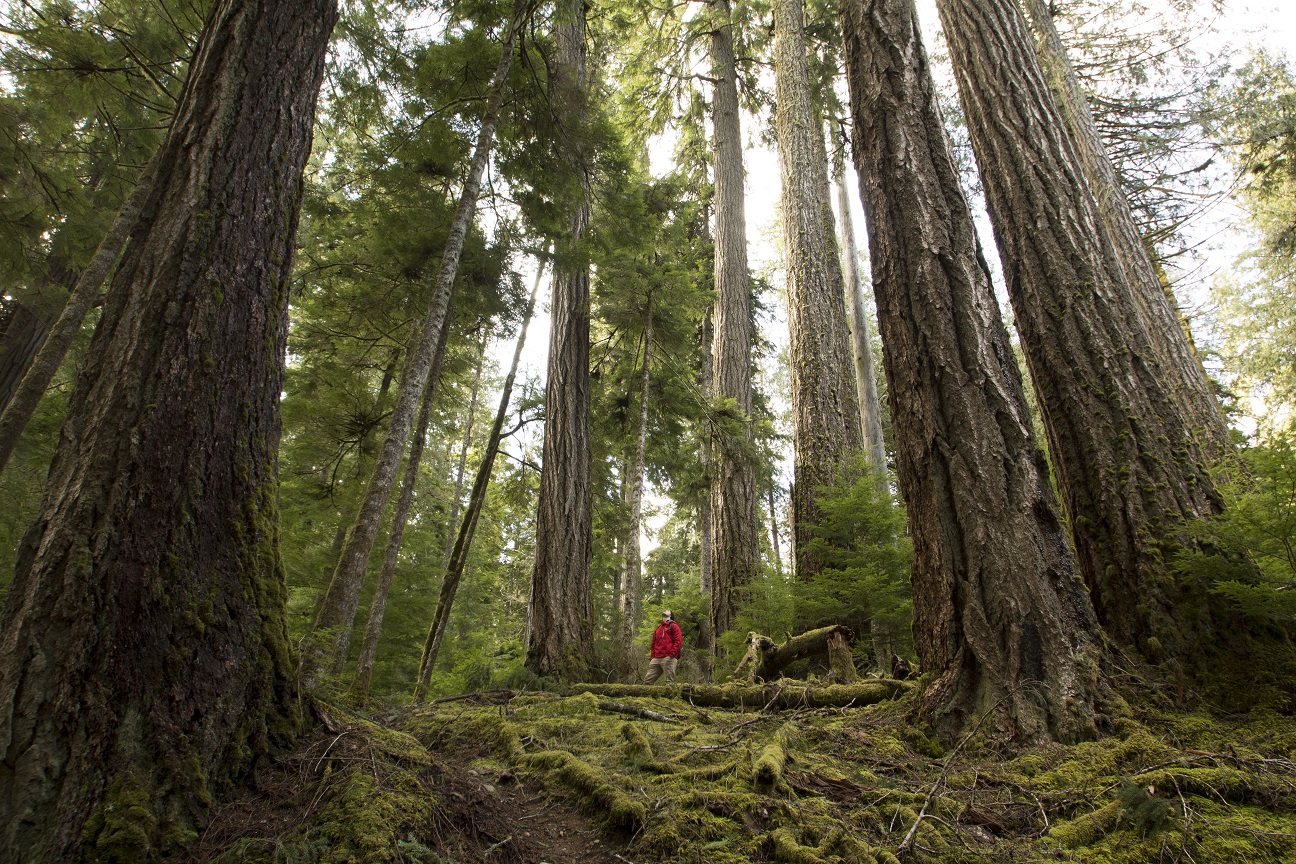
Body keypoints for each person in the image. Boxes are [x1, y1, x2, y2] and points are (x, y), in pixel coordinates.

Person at [644, 609, 682, 684]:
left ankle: (670, 695)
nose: (664, 612)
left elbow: (678, 641)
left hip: (669, 658)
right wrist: (653, 656)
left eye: (667, 612)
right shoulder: (658, 629)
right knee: (647, 681)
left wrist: (672, 654)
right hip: (656, 658)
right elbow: (653, 644)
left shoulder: (674, 626)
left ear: (671, 616)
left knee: (669, 682)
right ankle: (645, 695)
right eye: (663, 614)